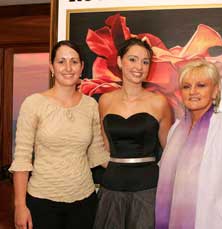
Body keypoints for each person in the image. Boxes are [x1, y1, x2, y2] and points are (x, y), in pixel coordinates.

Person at [9, 40, 110, 229]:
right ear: (52, 67)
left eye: (74, 61)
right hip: (42, 202)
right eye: (61, 61)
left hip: (85, 202)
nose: (68, 67)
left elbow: (97, 154)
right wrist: (20, 206)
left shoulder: (91, 106)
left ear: (82, 67)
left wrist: (133, 166)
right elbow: (22, 159)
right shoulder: (33, 104)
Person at [155, 59, 222, 229]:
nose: (193, 92)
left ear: (215, 91)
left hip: (218, 223)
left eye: (201, 85)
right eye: (186, 86)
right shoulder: (175, 130)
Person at [93, 38, 173, 229]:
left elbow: (170, 152)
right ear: (120, 62)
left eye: (145, 62)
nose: (139, 66)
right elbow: (104, 146)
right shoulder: (105, 101)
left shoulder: (159, 103)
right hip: (111, 188)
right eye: (133, 59)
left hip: (148, 190)